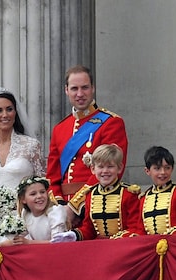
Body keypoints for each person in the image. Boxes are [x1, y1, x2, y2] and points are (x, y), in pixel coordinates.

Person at [46, 65, 129, 205]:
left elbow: (112, 169)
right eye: (74, 88)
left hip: (96, 202)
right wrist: (59, 205)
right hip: (62, 207)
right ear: (66, 90)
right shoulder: (59, 128)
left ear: (93, 88)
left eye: (84, 87)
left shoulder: (111, 122)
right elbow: (52, 175)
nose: (80, 94)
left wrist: (75, 206)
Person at [0, 87, 46, 249]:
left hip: (25, 219)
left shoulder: (31, 146)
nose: (5, 115)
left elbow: (44, 183)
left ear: (15, 112)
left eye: (9, 109)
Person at [67, 144, 144, 240]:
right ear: (93, 169)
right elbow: (89, 229)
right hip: (99, 248)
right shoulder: (90, 195)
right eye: (101, 167)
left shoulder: (128, 194)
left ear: (119, 168)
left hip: (123, 246)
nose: (105, 171)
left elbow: (135, 228)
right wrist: (74, 235)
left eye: (110, 166)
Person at [0, 176, 69, 253]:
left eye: (42, 192)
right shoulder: (26, 214)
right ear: (23, 199)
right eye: (33, 194)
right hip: (40, 254)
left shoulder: (55, 212)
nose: (39, 196)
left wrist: (29, 243)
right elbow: (17, 240)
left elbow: (58, 243)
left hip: (57, 254)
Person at [140, 146, 176, 235]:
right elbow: (140, 229)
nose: (163, 172)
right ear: (147, 171)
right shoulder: (144, 198)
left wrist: (168, 237)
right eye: (157, 168)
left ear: (172, 169)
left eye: (167, 168)